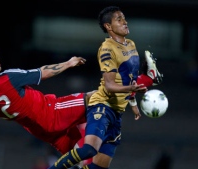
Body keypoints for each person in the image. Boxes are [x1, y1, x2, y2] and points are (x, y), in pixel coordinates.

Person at [48, 6, 163, 169]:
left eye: (124, 18)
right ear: (108, 26)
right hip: (102, 106)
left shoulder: (131, 45)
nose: (125, 22)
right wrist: (134, 89)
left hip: (117, 112)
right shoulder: (107, 49)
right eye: (119, 19)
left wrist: (133, 103)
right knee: (88, 150)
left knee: (99, 167)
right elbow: (109, 85)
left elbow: (127, 79)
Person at [0, 44, 96, 155]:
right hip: (52, 112)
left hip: (40, 130)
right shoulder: (7, 79)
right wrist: (69, 63)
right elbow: (42, 72)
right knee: (95, 97)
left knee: (79, 157)